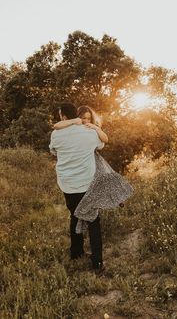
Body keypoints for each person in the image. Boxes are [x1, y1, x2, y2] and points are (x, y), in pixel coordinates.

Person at [54, 105, 133, 232]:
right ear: (77, 117)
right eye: (83, 118)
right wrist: (76, 122)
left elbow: (105, 139)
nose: (86, 121)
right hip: (87, 165)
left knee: (107, 174)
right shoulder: (75, 128)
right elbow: (57, 125)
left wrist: (95, 127)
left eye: (88, 119)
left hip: (93, 163)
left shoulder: (91, 130)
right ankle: (115, 196)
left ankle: (116, 196)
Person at [49, 103, 104, 274]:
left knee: (74, 215)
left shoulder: (56, 134)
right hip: (87, 183)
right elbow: (100, 145)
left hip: (68, 184)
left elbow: (53, 152)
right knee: (93, 221)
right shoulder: (89, 133)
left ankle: (76, 253)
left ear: (64, 116)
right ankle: (97, 262)